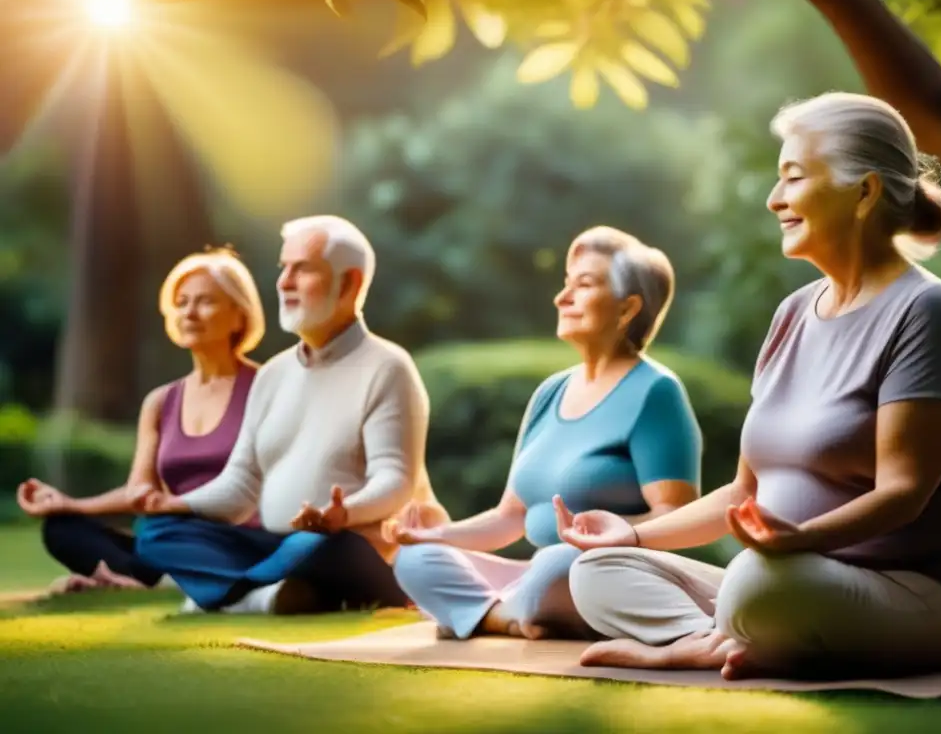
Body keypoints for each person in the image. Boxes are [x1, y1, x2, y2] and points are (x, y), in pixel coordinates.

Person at [560, 93, 941, 681]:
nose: (774, 200)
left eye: (793, 177)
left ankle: (719, 637)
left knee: (753, 581)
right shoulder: (793, 313)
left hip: (917, 596)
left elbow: (904, 493)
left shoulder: (924, 309)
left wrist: (799, 541)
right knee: (600, 570)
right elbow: (743, 492)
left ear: (864, 192)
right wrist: (635, 532)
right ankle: (716, 642)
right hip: (792, 580)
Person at [389, 226, 702, 640]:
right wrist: (438, 535)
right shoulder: (549, 392)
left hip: (595, 572)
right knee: (416, 558)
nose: (561, 298)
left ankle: (489, 613)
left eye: (583, 285)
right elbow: (509, 517)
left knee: (555, 564)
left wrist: (610, 535)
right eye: (565, 284)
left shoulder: (656, 392)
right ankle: (508, 617)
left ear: (627, 309)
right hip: (538, 574)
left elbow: (676, 517)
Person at [132, 215, 445, 615]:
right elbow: (241, 486)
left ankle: (231, 595)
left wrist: (342, 515)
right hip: (279, 545)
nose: (284, 282)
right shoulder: (273, 375)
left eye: (303, 269)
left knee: (312, 545)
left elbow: (395, 480)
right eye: (284, 268)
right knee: (157, 534)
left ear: (348, 284)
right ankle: (267, 594)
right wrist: (175, 505)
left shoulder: (387, 367)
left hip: (350, 545)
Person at [15, 246, 265, 595]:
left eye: (205, 301)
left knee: (164, 541)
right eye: (182, 302)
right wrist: (69, 505)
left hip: (237, 540)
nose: (190, 312)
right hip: (169, 537)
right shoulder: (161, 402)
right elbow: (140, 493)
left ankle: (138, 580)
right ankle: (147, 581)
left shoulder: (267, 387)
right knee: (63, 530)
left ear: (239, 316)